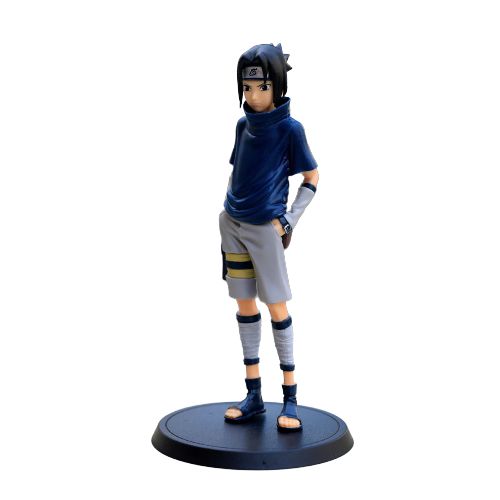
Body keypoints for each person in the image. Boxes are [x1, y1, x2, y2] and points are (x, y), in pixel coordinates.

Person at [220, 43, 319, 432]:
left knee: (277, 306)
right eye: (247, 87)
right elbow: (237, 170)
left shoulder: (290, 129)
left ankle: (290, 397)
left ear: (276, 85)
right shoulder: (242, 126)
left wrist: (289, 220)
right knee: (245, 305)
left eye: (261, 87)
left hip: (266, 228)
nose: (253, 95)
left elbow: (312, 178)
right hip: (233, 224)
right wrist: (229, 208)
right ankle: (254, 395)